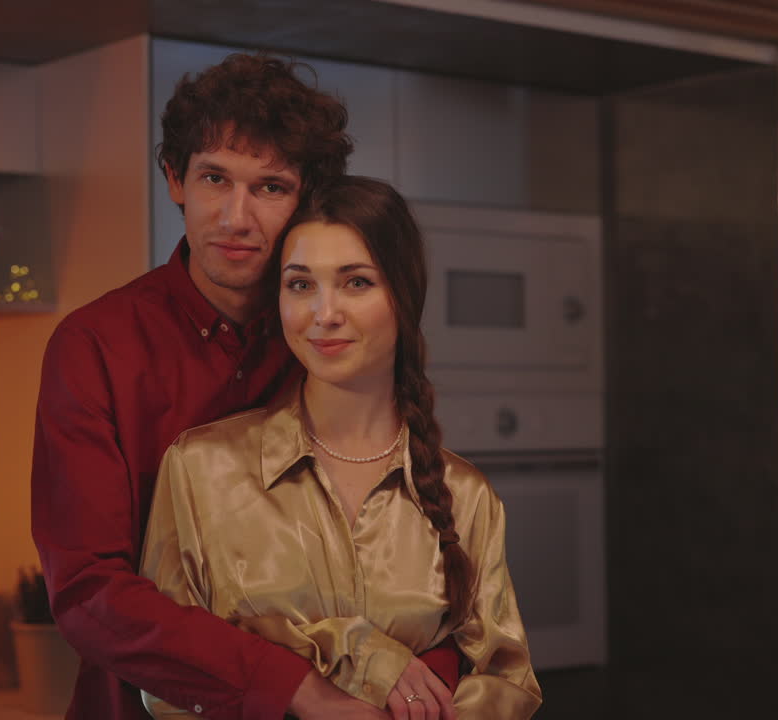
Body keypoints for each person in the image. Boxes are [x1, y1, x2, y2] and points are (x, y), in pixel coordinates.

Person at [32, 55, 461, 720]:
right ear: (175, 179)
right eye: (214, 179)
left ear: (305, 198)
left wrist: (424, 679)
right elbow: (90, 594)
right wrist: (297, 688)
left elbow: (420, 560)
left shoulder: (339, 346)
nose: (235, 217)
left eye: (269, 188)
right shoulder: (93, 349)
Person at [140, 176, 543, 720]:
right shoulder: (198, 468)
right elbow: (165, 684)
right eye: (300, 285)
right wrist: (349, 651)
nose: (323, 314)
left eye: (355, 283)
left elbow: (508, 678)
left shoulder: (465, 495)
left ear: (403, 297)